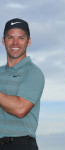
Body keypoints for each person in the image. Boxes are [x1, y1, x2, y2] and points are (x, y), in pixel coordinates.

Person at [0, 18, 45, 150]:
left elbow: (20, 109)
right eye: (10, 37)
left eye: (21, 38)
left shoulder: (33, 73)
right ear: (3, 41)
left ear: (28, 41)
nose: (15, 42)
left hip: (20, 144)